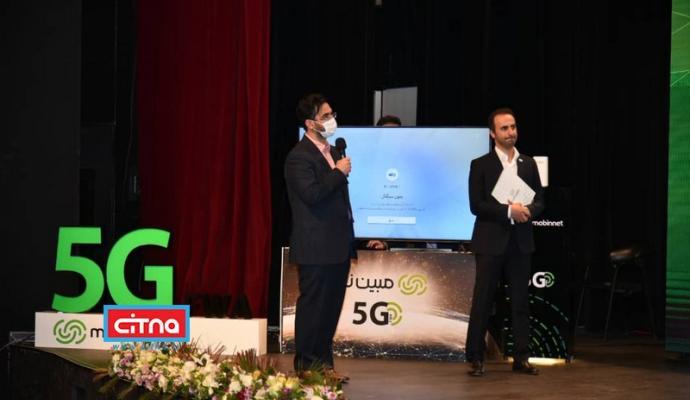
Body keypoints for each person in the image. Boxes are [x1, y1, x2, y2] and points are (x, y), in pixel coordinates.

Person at [465, 108, 544, 377]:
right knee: (483, 300)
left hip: (520, 243)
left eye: (513, 127)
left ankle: (522, 357)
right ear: (492, 133)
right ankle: (476, 357)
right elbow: (476, 205)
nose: (511, 132)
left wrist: (528, 211)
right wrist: (509, 211)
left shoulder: (528, 163)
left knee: (520, 301)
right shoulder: (480, 164)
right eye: (504, 128)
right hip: (490, 242)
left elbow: (540, 199)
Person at [284, 93, 356, 379]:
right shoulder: (298, 157)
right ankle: (305, 366)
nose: (331, 120)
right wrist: (338, 173)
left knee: (330, 309)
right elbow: (312, 195)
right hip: (315, 246)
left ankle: (324, 366)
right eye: (325, 116)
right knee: (313, 308)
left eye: (332, 114)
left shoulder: (334, 151)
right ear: (309, 123)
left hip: (338, 244)